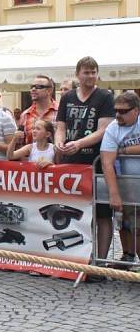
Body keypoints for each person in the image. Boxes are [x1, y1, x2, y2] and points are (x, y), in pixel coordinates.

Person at [54, 56, 115, 260]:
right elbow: (60, 125)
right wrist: (59, 142)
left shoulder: (105, 96)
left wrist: (79, 143)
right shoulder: (68, 96)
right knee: (70, 210)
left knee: (102, 213)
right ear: (77, 74)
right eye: (86, 72)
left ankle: (101, 260)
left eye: (93, 72)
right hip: (69, 164)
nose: (90, 76)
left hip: (95, 163)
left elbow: (104, 129)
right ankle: (76, 257)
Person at [100, 91, 140, 266]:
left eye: (123, 111)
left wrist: (124, 151)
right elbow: (106, 162)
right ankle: (128, 257)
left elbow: (116, 153)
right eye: (116, 110)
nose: (118, 115)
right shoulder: (112, 128)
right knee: (126, 223)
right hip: (127, 184)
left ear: (136, 111)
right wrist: (113, 194)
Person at [19, 75, 58, 145]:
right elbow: (21, 143)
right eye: (32, 87)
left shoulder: (60, 111)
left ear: (49, 90)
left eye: (38, 87)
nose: (33, 89)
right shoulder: (25, 115)